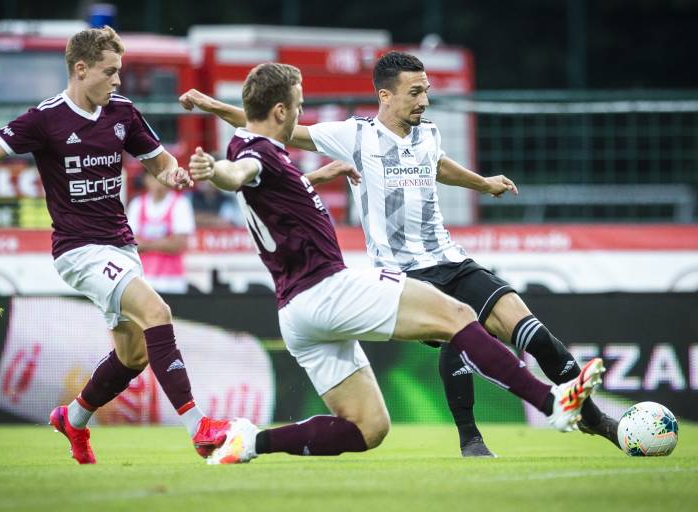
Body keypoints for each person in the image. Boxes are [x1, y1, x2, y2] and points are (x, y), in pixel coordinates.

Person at [180, 52, 620, 457]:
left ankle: (248, 441)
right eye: (416, 91)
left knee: (369, 427)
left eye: (426, 90)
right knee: (458, 321)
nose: (424, 100)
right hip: (359, 279)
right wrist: (216, 150)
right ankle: (543, 408)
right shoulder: (339, 137)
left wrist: (483, 183)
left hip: (312, 303)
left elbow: (435, 164)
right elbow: (249, 160)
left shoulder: (264, 151)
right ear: (385, 96)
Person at [0, 26, 230, 464]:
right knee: (157, 313)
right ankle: (199, 426)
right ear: (80, 69)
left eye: (119, 71)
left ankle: (72, 418)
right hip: (79, 250)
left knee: (133, 356)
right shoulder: (45, 119)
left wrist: (171, 173)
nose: (118, 80)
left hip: (120, 246)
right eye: (109, 72)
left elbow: (160, 161)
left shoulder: (122, 113)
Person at [127, 172, 194, 294]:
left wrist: (145, 243)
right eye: (154, 178)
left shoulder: (181, 203)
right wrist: (165, 241)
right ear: (146, 180)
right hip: (143, 280)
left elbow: (178, 244)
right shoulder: (136, 204)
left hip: (173, 282)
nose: (158, 183)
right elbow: (131, 244)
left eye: (162, 178)